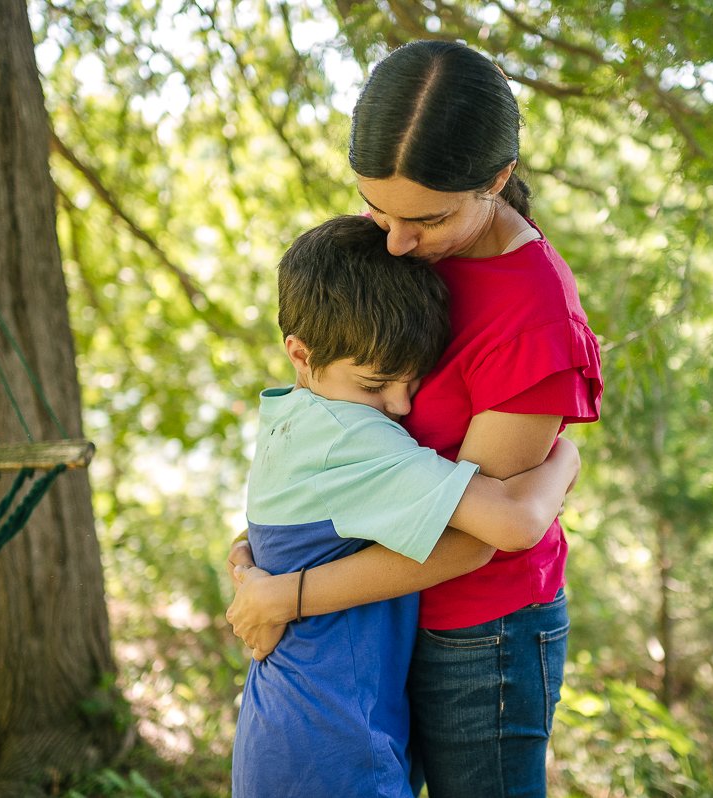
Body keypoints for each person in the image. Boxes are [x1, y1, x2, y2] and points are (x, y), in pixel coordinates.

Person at [227, 40, 603, 797]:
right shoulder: (397, 249)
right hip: (374, 621)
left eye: (424, 220)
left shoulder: (529, 314)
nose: (395, 242)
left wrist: (287, 597)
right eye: (375, 208)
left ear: (496, 180)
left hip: (477, 634)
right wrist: (260, 550)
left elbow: (472, 542)